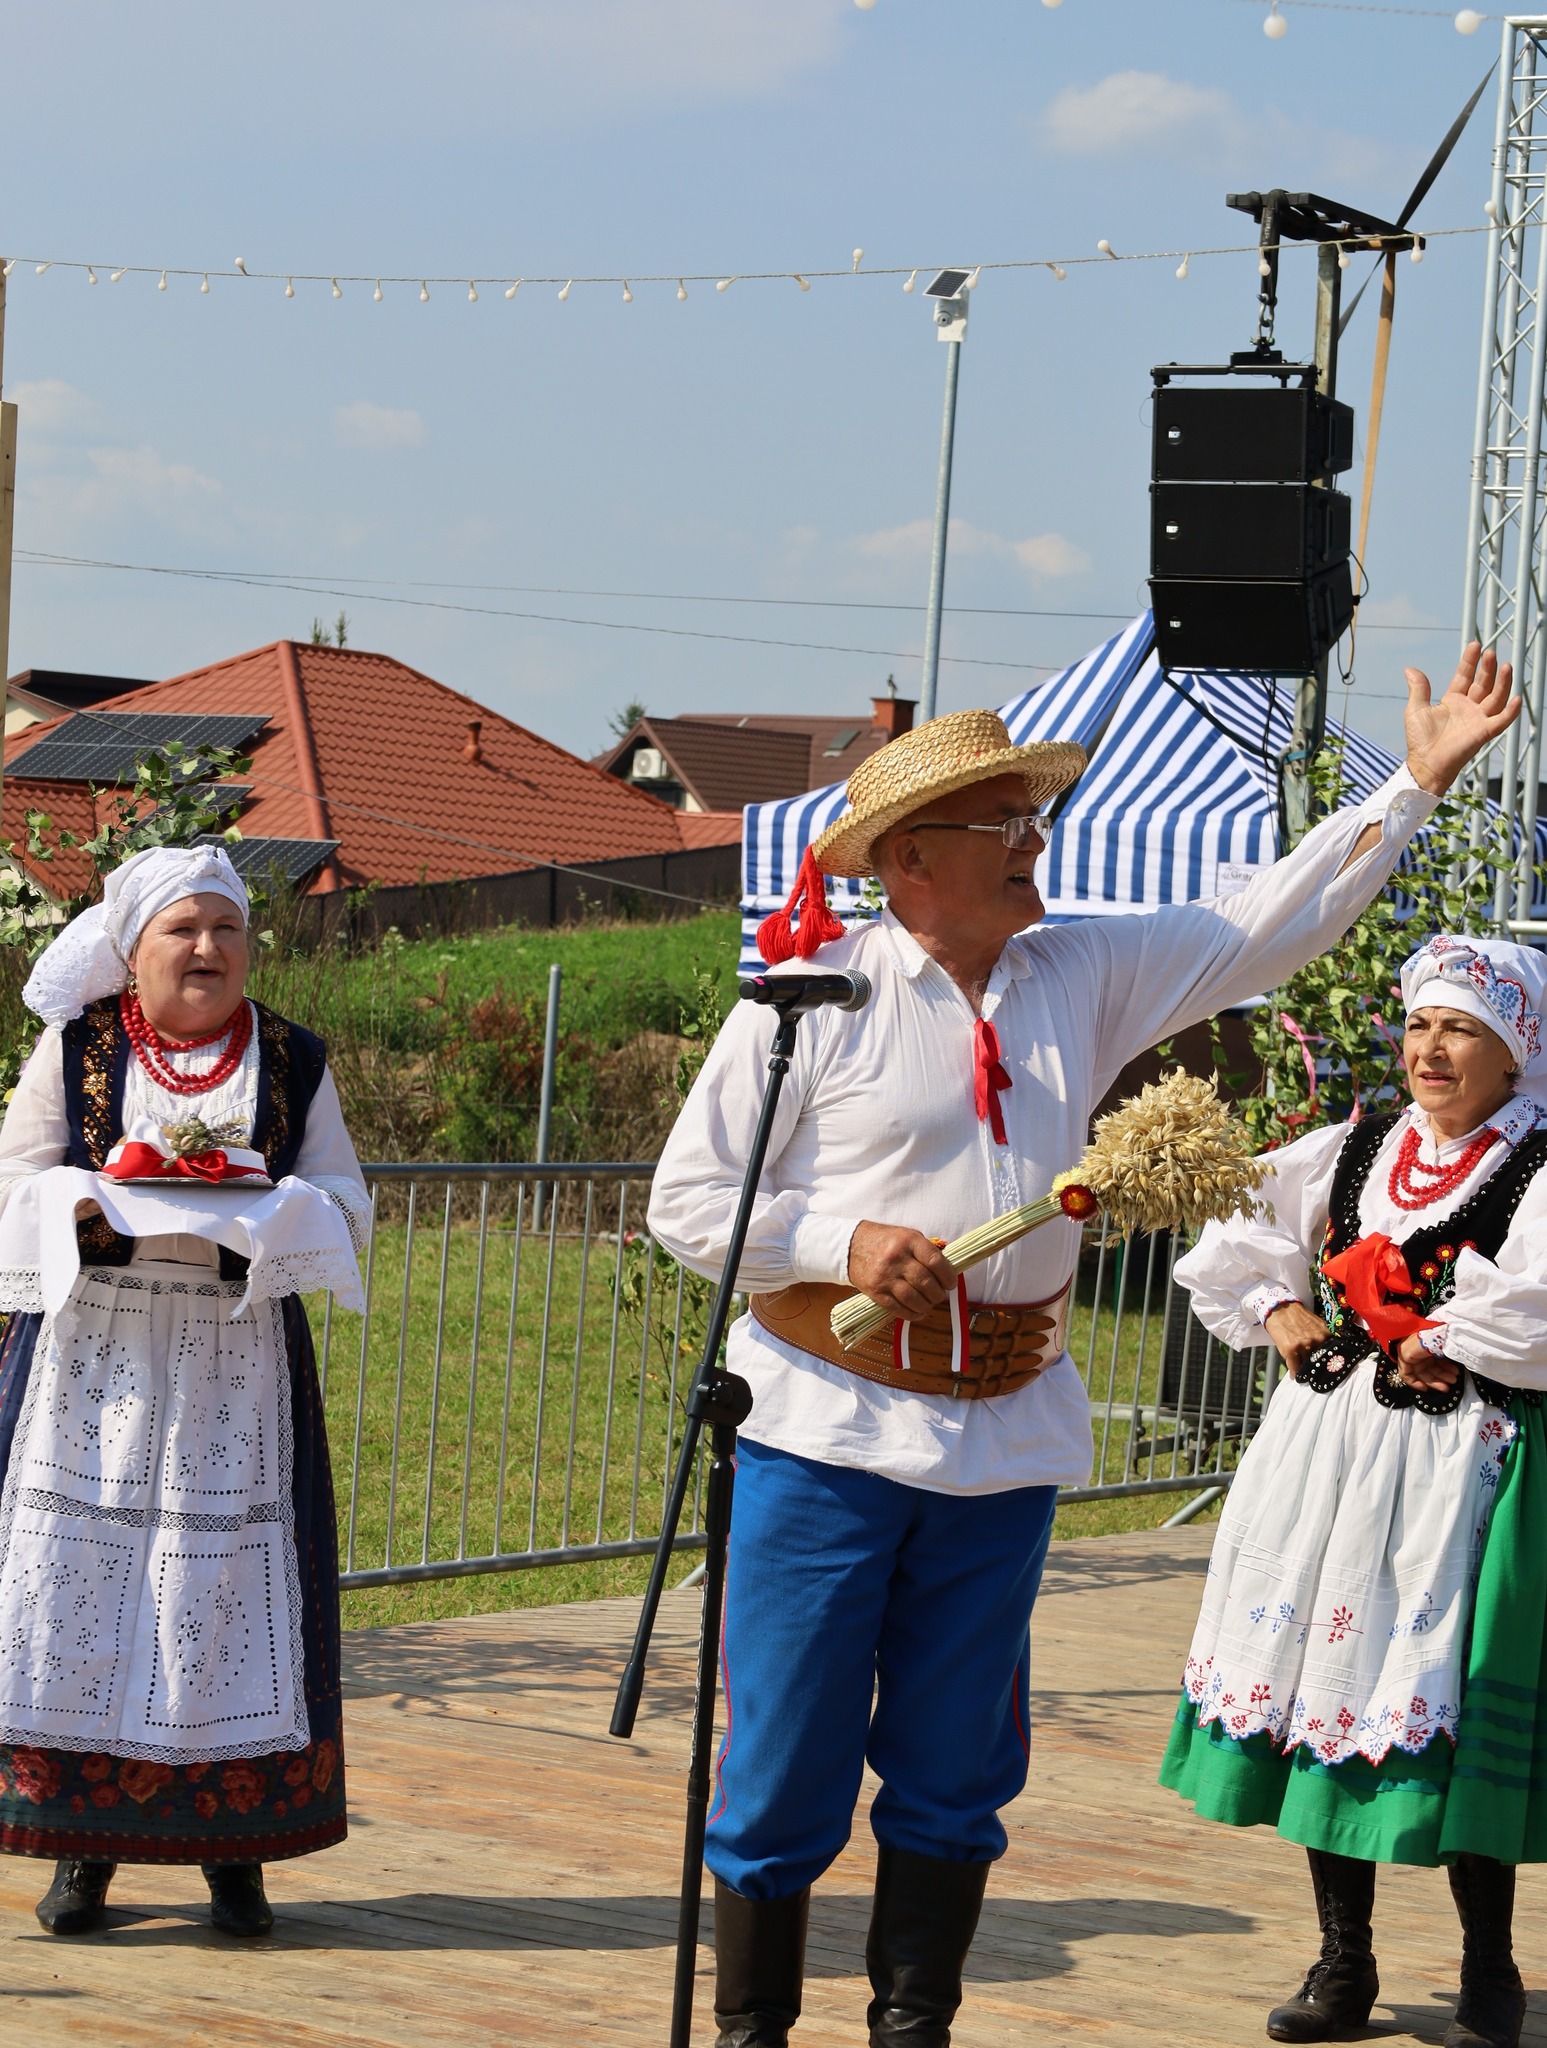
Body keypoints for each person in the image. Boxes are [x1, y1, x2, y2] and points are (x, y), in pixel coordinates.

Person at [647, 647, 1518, 2048]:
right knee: (784, 1759)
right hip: (827, 1436)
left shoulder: (1078, 971)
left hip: (1001, 1441)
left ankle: (912, 2026)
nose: (1031, 843)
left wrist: (1409, 785)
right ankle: (754, 2030)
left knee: (956, 1766)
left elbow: (1257, 925)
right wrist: (840, 1243)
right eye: (1002, 825)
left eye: (1032, 817)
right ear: (907, 858)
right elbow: (688, 1203)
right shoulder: (807, 1001)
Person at [1161, 930, 1547, 2048]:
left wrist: (1447, 1336)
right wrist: (1278, 1307)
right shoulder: (1355, 1145)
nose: (1430, 1048)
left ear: (1514, 1050)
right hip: (1327, 1456)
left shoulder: (1534, 1167)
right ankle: (1343, 1960)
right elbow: (1237, 1227)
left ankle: (1487, 1968)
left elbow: (1533, 1306)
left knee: (1442, 1685)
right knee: (1321, 1681)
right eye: (1419, 1024)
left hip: (1460, 1468)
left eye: (1460, 1028)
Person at [0, 844, 369, 1938]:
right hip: (93, 1354)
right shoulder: (78, 1046)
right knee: (80, 1581)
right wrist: (78, 1202)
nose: (207, 947)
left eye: (226, 928)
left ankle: (234, 1853)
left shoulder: (292, 1058)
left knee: (217, 1590)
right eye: (183, 928)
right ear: (134, 947)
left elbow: (345, 1194)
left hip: (232, 1356)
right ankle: (82, 1846)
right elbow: (14, 1179)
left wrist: (287, 1212)